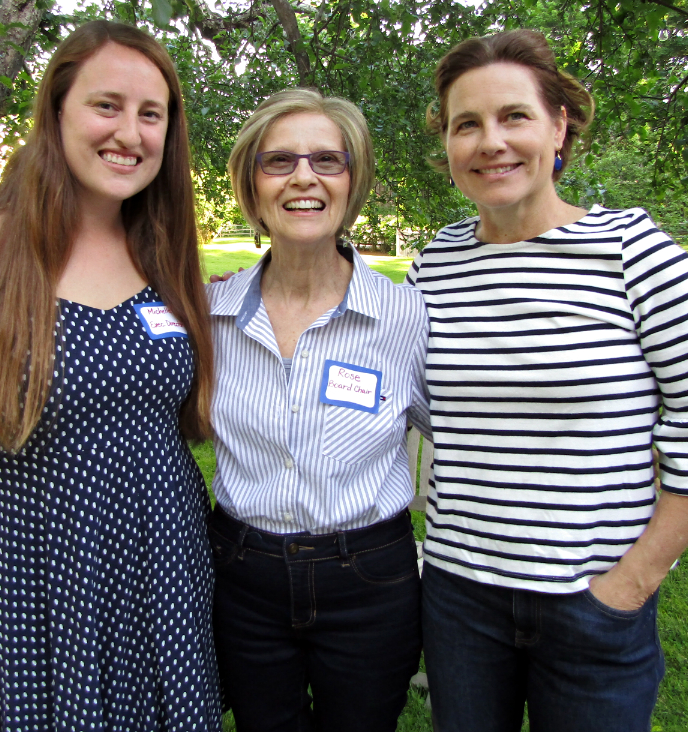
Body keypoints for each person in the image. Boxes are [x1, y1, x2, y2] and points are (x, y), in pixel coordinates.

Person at [406, 30, 688, 732]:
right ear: (449, 146)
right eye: (468, 124)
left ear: (559, 126)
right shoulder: (435, 266)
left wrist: (629, 585)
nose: (491, 142)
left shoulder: (635, 254)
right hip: (459, 601)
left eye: (514, 116)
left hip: (592, 603)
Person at [0, 20, 220, 732]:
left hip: (165, 580)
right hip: (37, 591)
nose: (130, 132)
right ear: (56, 112)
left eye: (150, 114)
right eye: (106, 105)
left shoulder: (161, 254)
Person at [206, 89, 431, 732]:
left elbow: (468, 435)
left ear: (352, 183)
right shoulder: (209, 315)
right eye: (279, 161)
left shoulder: (404, 316)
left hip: (368, 581)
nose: (304, 177)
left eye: (327, 160)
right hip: (242, 580)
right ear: (252, 187)